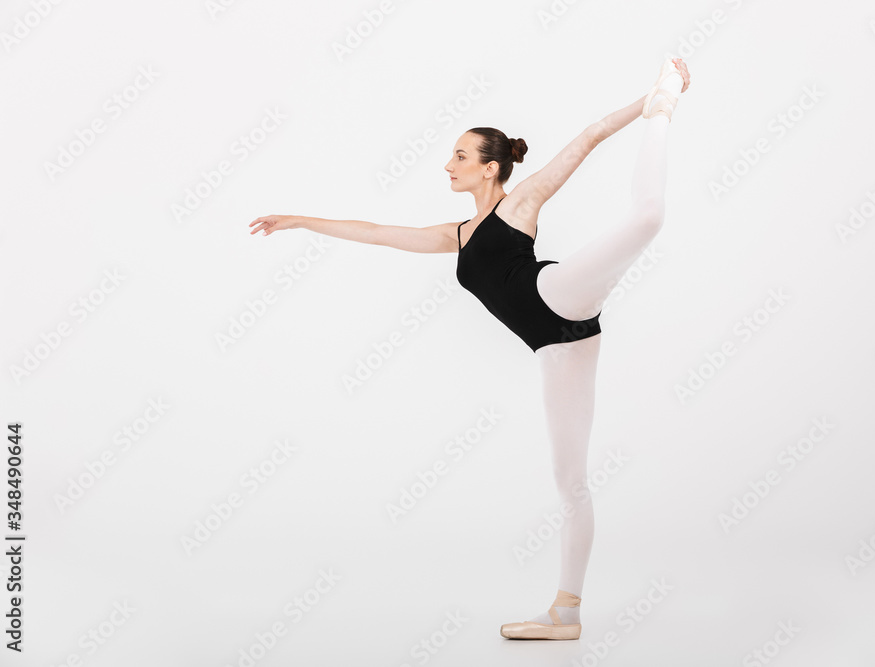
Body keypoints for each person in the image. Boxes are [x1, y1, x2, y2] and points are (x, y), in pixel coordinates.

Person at [249, 55, 690, 640]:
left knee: (648, 219)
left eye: (460, 155)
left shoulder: (521, 202)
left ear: (490, 167)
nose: (449, 165)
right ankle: (566, 612)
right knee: (570, 482)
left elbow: (589, 136)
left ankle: (666, 111)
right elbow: (377, 233)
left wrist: (652, 99)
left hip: (557, 296)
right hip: (556, 347)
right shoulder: (455, 236)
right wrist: (302, 220)